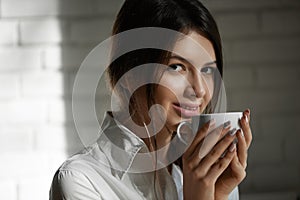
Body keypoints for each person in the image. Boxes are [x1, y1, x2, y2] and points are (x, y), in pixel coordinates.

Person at [49, 0, 252, 199]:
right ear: (129, 75)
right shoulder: (81, 181)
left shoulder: (210, 174)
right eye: (176, 67)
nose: (199, 90)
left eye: (207, 69)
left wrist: (222, 192)